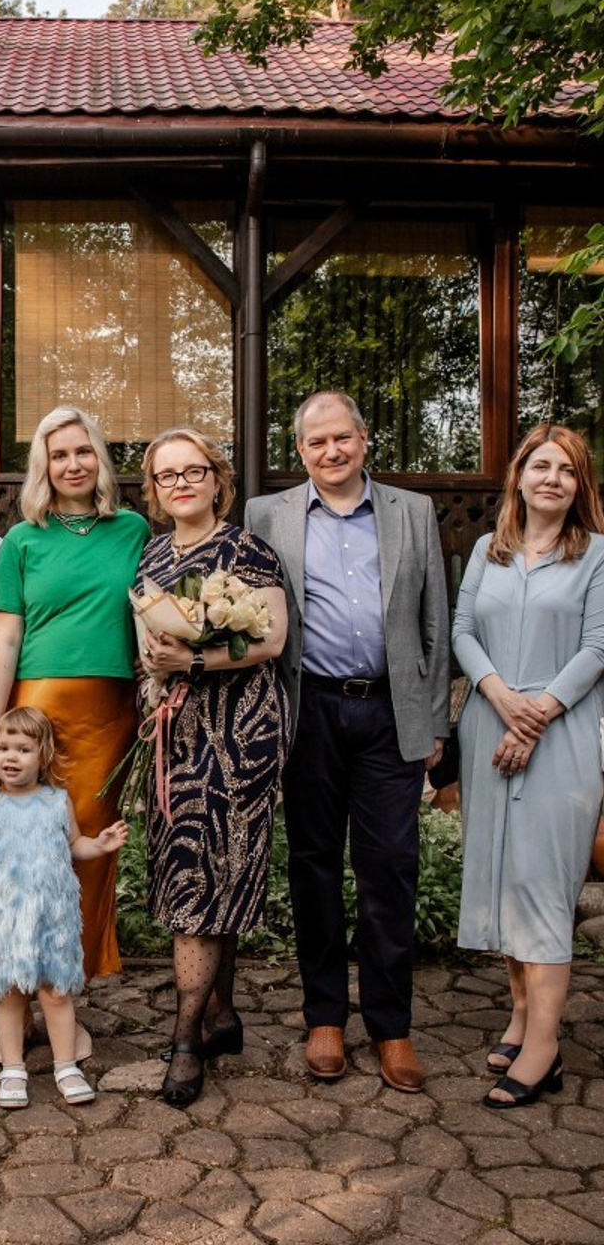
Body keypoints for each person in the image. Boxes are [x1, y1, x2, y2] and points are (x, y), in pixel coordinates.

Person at [245, 391, 449, 1093]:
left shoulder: (411, 511)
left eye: (342, 438)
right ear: (300, 451)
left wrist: (434, 721)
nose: (330, 452)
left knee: (390, 866)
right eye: (316, 442)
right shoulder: (267, 515)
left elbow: (434, 620)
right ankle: (325, 1017)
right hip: (311, 711)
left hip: (391, 712)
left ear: (364, 440)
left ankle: (392, 1028)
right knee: (314, 865)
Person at [135, 428, 290, 1108]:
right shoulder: (149, 556)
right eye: (167, 475)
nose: (181, 484)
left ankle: (185, 1041)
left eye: (192, 471)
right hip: (175, 735)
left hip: (240, 734)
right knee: (192, 875)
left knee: (212, 878)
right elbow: (147, 649)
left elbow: (273, 640)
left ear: (216, 478)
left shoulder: (248, 551)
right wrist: (156, 676)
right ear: (154, 489)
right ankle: (221, 1016)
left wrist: (196, 658)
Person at [452, 424, 604, 1108]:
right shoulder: (490, 549)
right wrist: (499, 695)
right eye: (541, 466)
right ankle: (520, 1016)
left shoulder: (597, 555)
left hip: (561, 730)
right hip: (491, 722)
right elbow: (462, 632)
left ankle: (545, 1049)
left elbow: (598, 646)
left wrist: (536, 712)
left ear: (580, 485)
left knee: (543, 885)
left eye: (567, 470)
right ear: (519, 476)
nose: (553, 479)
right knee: (505, 880)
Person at [0, 404, 149, 989]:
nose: (72, 464)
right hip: (37, 711)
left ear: (99, 459)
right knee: (32, 849)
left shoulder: (133, 530)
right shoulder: (21, 540)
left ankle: (71, 984)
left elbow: (151, 614)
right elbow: (6, 641)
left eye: (83, 452)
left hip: (109, 713)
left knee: (92, 847)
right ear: (44, 466)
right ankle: (23, 983)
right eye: (59, 455)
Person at [0, 707, 128, 1110]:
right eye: (3, 748)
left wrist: (99, 845)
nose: (11, 757)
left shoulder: (56, 801)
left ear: (44, 755)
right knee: (9, 995)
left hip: (52, 920)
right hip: (5, 920)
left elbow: (74, 845)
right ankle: (12, 1068)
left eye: (23, 749)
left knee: (56, 994)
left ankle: (66, 1066)